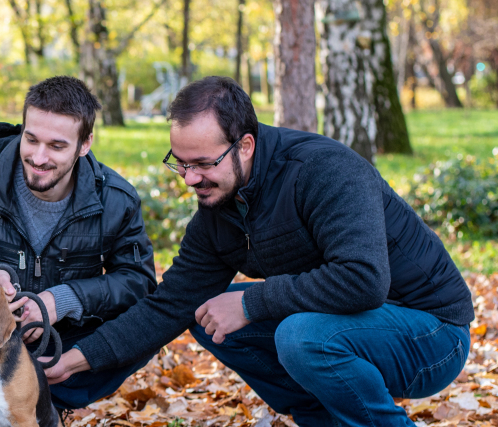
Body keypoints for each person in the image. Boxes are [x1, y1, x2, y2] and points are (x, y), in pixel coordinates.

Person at [43, 76, 473, 425]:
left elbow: (364, 280)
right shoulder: (217, 211)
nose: (189, 179)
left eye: (203, 164)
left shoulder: (324, 171)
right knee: (206, 313)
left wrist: (253, 300)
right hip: (348, 327)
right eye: (180, 162)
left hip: (432, 333)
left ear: (245, 145)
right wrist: (78, 360)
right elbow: (168, 306)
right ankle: (321, 420)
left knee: (300, 336)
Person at [0, 76, 159, 414]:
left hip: (63, 338)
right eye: (30, 139)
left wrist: (62, 301)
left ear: (85, 143)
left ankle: (43, 404)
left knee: (147, 325)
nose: (39, 157)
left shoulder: (117, 199)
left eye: (57, 146)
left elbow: (138, 282)